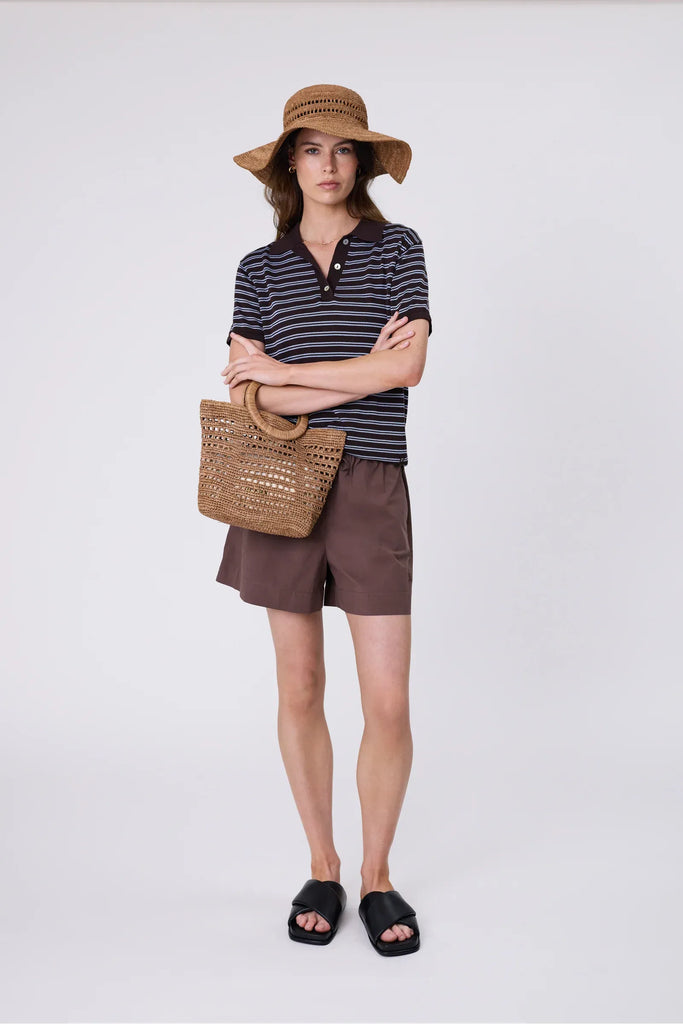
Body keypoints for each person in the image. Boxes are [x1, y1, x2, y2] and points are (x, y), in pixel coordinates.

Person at [216, 84, 432, 957]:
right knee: (299, 686)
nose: (328, 164)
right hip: (277, 481)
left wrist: (290, 375)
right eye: (311, 149)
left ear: (362, 161)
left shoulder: (397, 248)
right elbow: (249, 397)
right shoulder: (257, 269)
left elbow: (407, 371)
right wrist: (344, 374)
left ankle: (378, 876)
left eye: (343, 148)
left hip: (372, 483)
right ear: (289, 164)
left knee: (388, 699)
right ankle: (324, 866)